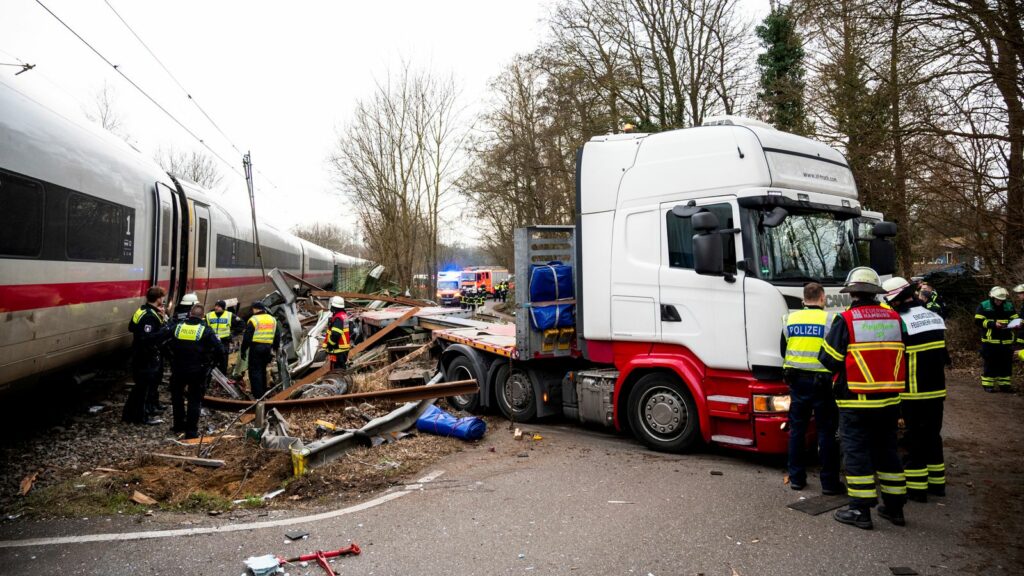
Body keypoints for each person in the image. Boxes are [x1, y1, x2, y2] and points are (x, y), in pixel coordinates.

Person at [819, 267, 907, 530]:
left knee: (856, 453)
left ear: (852, 292)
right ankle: (894, 508)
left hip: (856, 400)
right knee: (888, 452)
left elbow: (829, 360)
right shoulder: (894, 318)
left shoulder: (846, 320)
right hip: (890, 400)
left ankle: (860, 510)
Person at [883, 277, 950, 502]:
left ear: (896, 300)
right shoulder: (933, 315)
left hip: (913, 391)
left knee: (914, 438)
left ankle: (917, 489)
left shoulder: (900, 321)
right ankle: (937, 484)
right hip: (936, 390)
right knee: (933, 435)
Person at [781, 282, 841, 495]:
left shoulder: (790, 319)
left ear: (803, 299)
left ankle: (796, 478)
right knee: (826, 432)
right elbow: (836, 353)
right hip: (823, 384)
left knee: (797, 431)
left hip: (796, 382)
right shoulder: (831, 319)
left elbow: (784, 349)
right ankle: (829, 483)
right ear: (823, 298)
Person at [168, 304, 224, 438]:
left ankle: (178, 425)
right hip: (198, 370)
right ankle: (191, 432)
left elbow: (164, 342)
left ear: (189, 314)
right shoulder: (206, 330)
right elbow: (220, 350)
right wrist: (211, 364)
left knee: (177, 397)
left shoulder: (177, 327)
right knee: (194, 400)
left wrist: (171, 359)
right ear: (202, 316)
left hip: (178, 369)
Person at [122, 286, 169, 425]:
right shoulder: (150, 316)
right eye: (162, 297)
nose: (163, 300)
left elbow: (131, 327)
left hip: (139, 353)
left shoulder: (142, 310)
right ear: (159, 298)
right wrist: (165, 330)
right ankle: (141, 417)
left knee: (140, 387)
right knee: (143, 388)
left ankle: (129, 415)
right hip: (145, 355)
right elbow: (147, 338)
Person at [974, 286, 1018, 392]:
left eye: (1001, 300)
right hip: (990, 341)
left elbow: (1015, 317)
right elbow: (978, 321)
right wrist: (993, 324)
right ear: (992, 297)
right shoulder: (984, 305)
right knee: (990, 363)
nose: (999, 302)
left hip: (1007, 340)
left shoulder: (1009, 305)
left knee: (1006, 364)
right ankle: (988, 385)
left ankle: (1005, 385)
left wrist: (1016, 323)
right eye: (997, 299)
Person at [241, 301, 280, 399]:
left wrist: (243, 350)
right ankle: (263, 391)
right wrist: (275, 347)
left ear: (255, 309)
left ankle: (258, 395)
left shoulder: (254, 319)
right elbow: (277, 335)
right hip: (267, 348)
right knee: (262, 369)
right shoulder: (272, 319)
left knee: (255, 371)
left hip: (256, 348)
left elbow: (247, 337)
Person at [205, 300, 240, 373]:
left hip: (224, 341)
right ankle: (210, 377)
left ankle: (222, 376)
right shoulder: (209, 315)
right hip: (212, 342)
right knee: (210, 361)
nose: (216, 308)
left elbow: (241, 324)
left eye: (219, 306)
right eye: (216, 306)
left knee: (223, 361)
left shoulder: (229, 315)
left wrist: (232, 334)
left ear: (223, 308)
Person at [324, 296, 352, 370]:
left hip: (338, 350)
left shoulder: (338, 318)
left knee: (338, 370)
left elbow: (336, 334)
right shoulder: (343, 315)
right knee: (340, 369)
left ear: (333, 306)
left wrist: (330, 344)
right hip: (342, 349)